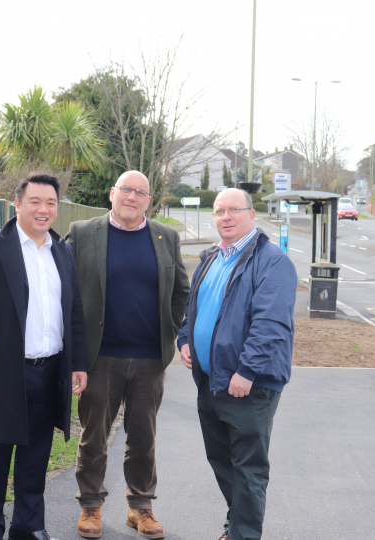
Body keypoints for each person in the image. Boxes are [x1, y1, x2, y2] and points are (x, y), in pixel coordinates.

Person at [66, 170, 190, 539]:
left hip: (150, 358)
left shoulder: (166, 238)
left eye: (140, 192)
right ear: (112, 194)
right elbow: (64, 290)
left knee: (143, 437)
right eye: (126, 190)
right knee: (94, 435)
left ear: (148, 201)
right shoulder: (83, 233)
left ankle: (140, 508)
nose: (132, 197)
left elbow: (181, 290)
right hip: (100, 357)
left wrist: (170, 331)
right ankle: (91, 504)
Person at [0, 172, 88, 540]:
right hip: (3, 374)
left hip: (49, 371)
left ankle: (28, 526)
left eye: (51, 203)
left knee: (35, 458)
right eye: (35, 201)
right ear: (17, 204)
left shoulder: (61, 250)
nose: (43, 209)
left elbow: (75, 312)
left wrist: (78, 363)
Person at [177, 188, 297, 540]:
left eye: (233, 210)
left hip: (249, 383)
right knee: (222, 459)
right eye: (218, 211)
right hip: (211, 380)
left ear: (252, 214)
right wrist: (185, 340)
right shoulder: (211, 258)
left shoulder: (272, 261)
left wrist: (247, 371)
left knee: (247, 465)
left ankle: (243, 533)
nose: (225, 217)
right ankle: (239, 522)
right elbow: (193, 308)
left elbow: (271, 324)